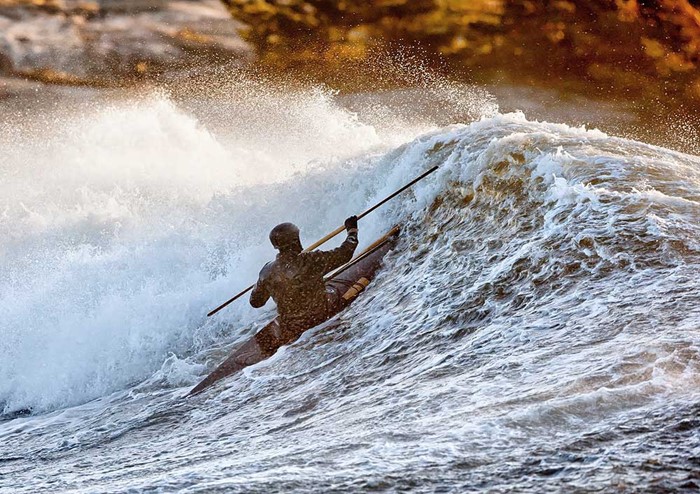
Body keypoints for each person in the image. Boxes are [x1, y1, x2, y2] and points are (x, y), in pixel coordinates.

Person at [250, 216, 359, 339]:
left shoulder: (266, 271)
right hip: (321, 317)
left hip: (292, 327)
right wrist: (352, 231)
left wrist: (264, 282)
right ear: (295, 240)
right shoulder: (310, 260)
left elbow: (256, 302)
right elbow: (345, 254)